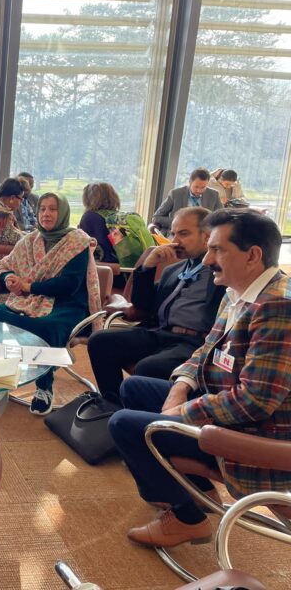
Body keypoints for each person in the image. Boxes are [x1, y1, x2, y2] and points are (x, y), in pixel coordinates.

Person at [109, 209, 291, 548]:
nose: (207, 260)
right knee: (134, 387)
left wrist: (183, 413)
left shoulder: (277, 306)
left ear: (253, 255)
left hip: (251, 437)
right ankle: (196, 491)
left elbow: (255, 401)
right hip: (224, 411)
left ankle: (187, 519)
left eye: (217, 250)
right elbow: (206, 349)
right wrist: (181, 387)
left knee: (124, 424)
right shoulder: (238, 292)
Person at [87, 207, 225, 404]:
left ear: (207, 236)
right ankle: (112, 404)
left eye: (184, 234)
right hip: (160, 332)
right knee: (99, 341)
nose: (175, 241)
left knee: (148, 367)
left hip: (194, 342)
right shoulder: (174, 270)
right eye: (173, 234)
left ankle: (137, 413)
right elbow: (142, 305)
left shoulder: (221, 273)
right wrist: (147, 267)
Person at [0, 193, 102, 416]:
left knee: (46, 327)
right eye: (42, 209)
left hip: (66, 305)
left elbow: (69, 284)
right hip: (30, 300)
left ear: (63, 212)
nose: (46, 214)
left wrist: (29, 287)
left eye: (53, 209)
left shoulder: (78, 241)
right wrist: (8, 279)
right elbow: (5, 265)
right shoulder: (30, 240)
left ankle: (44, 388)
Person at [152, 168, 223, 232]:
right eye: (196, 187)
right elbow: (157, 217)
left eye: (203, 187)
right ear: (190, 182)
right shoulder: (176, 194)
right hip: (179, 232)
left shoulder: (214, 195)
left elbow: (222, 217)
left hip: (203, 234)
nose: (199, 190)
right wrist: (178, 223)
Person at [78, 182, 121, 264]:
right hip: (124, 266)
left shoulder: (89, 217)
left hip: (103, 266)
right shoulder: (118, 217)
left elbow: (81, 248)